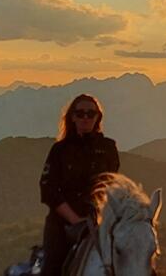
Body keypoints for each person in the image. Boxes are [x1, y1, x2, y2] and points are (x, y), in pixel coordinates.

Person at [39, 94, 120, 276]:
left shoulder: (108, 148)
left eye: (90, 113)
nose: (85, 118)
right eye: (80, 113)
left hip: (99, 221)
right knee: (52, 267)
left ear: (98, 117)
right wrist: (75, 219)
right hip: (62, 223)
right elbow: (48, 188)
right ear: (72, 117)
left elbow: (111, 185)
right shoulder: (60, 150)